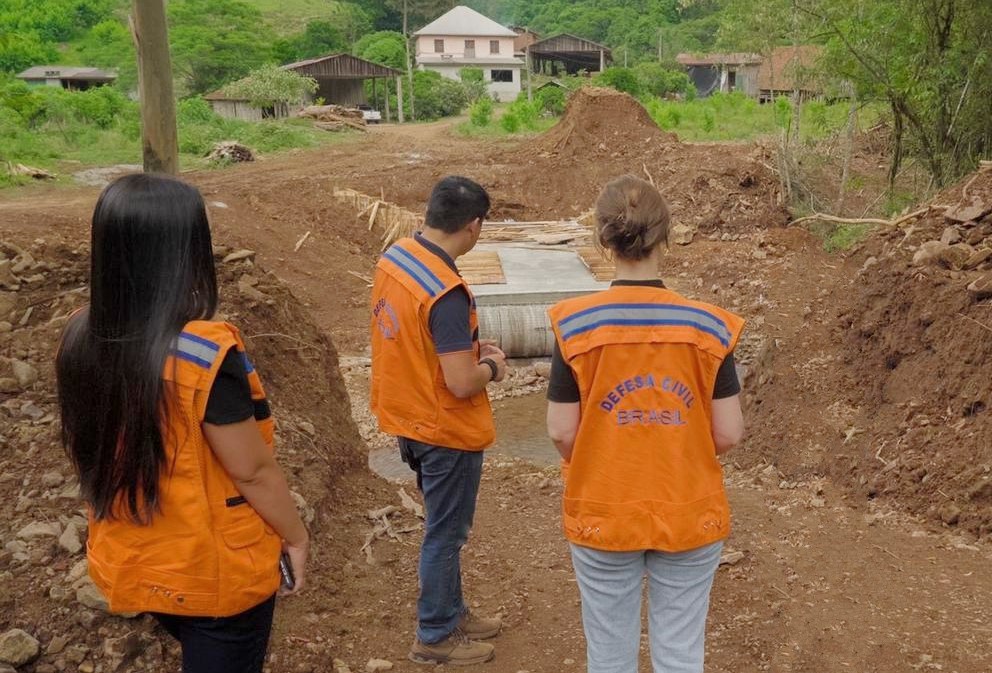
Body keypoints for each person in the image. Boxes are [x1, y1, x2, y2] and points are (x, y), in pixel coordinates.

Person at [56, 174, 309, 673]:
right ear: (186, 252)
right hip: (214, 574)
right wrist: (296, 537)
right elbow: (253, 472)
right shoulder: (205, 356)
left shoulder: (80, 336)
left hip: (137, 556)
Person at [545, 175, 746, 673]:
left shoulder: (574, 325)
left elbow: (561, 432)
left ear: (602, 241)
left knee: (609, 653)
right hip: (689, 509)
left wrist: (607, 448)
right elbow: (728, 433)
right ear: (667, 238)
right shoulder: (709, 327)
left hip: (602, 509)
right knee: (680, 652)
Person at [370, 176, 507, 666]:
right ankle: (435, 635)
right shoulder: (446, 292)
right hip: (443, 430)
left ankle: (452, 611)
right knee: (446, 534)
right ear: (473, 226)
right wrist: (490, 364)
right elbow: (461, 383)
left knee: (442, 527)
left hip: (407, 416)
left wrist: (467, 351)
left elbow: (416, 342)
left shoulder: (398, 258)